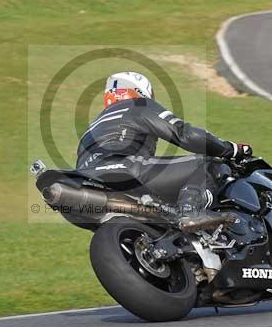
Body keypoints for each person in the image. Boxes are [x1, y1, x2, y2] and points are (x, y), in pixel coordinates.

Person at [76, 71, 252, 225]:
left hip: (86, 182)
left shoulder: (91, 128)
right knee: (206, 164)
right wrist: (231, 149)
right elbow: (186, 135)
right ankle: (191, 211)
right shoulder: (139, 105)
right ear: (140, 91)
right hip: (123, 170)